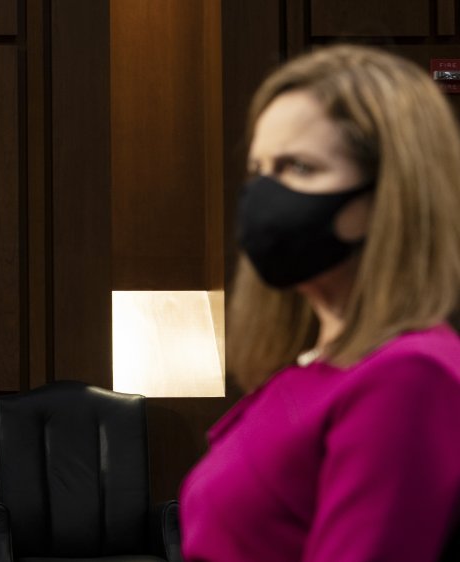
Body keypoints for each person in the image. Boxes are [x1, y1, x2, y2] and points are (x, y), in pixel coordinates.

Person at [179, 45, 460, 561]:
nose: (264, 196)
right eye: (258, 169)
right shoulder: (310, 369)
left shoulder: (410, 375)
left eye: (298, 168)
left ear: (386, 197)